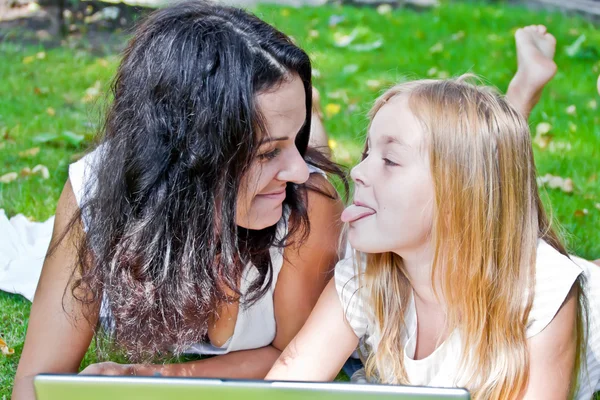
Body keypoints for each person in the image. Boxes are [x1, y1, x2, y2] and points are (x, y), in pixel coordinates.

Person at [12, 2, 345, 399]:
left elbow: (289, 356)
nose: (295, 169)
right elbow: (38, 383)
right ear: (190, 157)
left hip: (285, 207)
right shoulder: (97, 192)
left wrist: (152, 375)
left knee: (310, 170)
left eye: (295, 138)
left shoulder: (309, 204)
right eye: (266, 152)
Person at [265, 76, 600, 399]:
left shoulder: (543, 291)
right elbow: (288, 384)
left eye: (391, 161)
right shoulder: (367, 269)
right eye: (367, 153)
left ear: (461, 194)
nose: (357, 171)